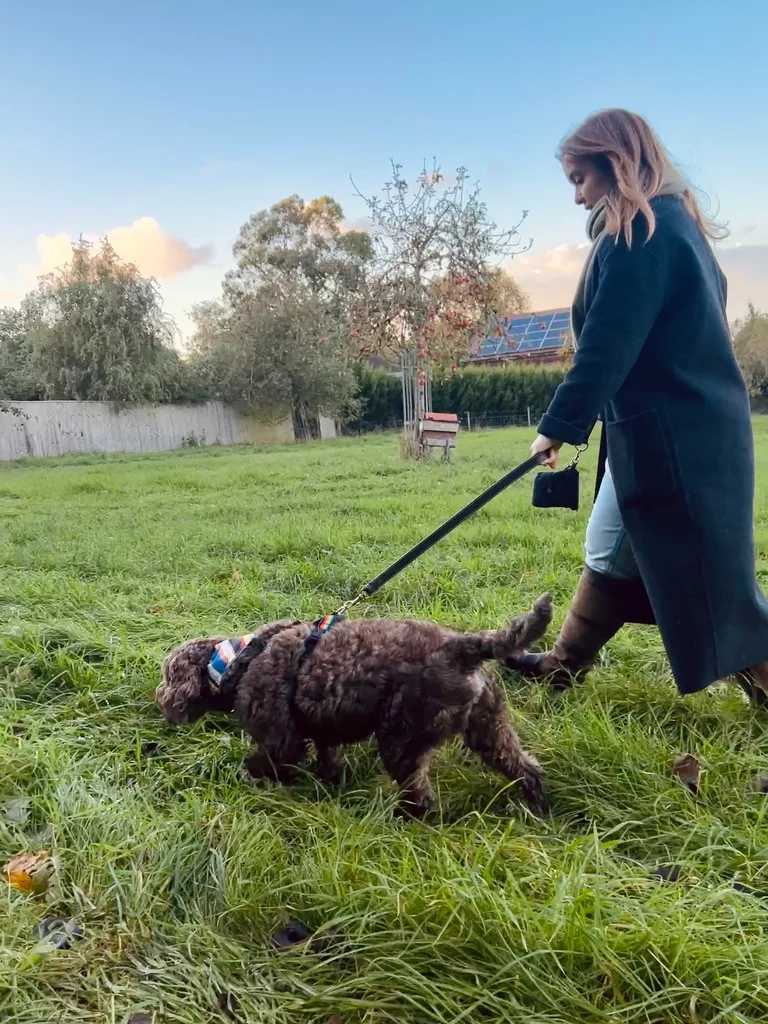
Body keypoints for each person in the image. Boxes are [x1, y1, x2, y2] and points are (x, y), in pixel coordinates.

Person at [510, 108, 768, 702]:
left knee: (714, 585)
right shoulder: (671, 227)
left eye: (580, 178)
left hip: (681, 442)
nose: (576, 196)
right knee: (611, 547)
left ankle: (759, 675)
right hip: (666, 434)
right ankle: (565, 663)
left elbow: (606, 344)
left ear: (617, 164)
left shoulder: (642, 233)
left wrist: (557, 427)